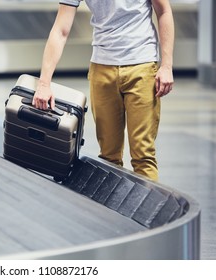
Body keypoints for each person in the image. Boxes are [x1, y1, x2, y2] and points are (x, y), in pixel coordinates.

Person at [32, 0, 175, 181]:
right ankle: (109, 210)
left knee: (143, 155)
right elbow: (60, 30)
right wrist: (44, 84)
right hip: (102, 67)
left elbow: (164, 11)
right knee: (108, 157)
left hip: (142, 65)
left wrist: (167, 65)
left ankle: (149, 209)